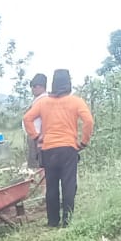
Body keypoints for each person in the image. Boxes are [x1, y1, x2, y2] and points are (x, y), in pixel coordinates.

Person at [23, 68, 94, 227]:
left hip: (48, 149)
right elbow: (89, 121)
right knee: (69, 185)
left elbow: (27, 118)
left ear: (53, 84)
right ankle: (67, 221)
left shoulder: (43, 102)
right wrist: (83, 142)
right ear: (68, 83)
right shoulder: (76, 101)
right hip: (68, 148)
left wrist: (36, 137)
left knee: (52, 186)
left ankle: (53, 222)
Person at [24, 73, 47, 169]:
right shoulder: (38, 100)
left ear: (40, 86)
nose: (32, 89)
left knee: (37, 166)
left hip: (37, 136)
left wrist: (36, 137)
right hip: (35, 136)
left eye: (34, 86)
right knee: (34, 164)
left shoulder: (44, 100)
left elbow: (45, 120)